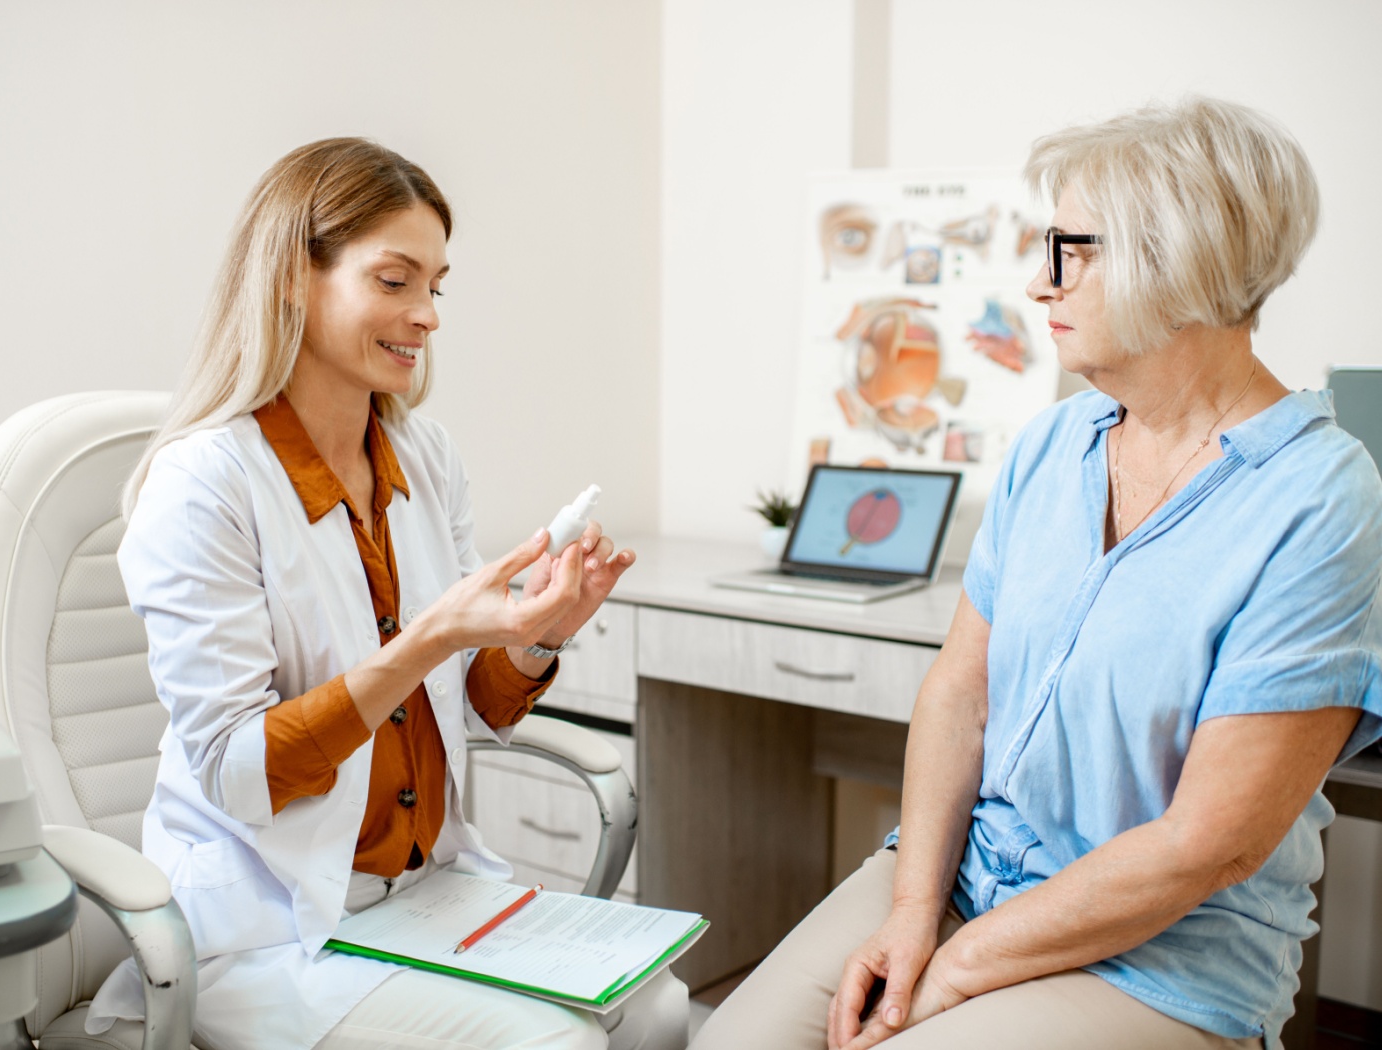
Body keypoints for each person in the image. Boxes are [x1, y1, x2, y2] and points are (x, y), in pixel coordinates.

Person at [692, 98, 1382, 1050]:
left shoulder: (1317, 494)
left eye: (1066, 251)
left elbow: (1208, 845)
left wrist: (957, 970)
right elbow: (959, 696)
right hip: (974, 877)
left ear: (1168, 254)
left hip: (1165, 954)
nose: (1037, 282)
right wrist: (911, 913)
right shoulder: (1053, 446)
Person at [85, 138, 688, 1050]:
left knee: (659, 1008)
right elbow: (240, 771)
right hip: (274, 923)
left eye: (436, 286)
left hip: (421, 891)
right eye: (395, 281)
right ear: (294, 277)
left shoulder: (423, 457)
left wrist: (537, 638)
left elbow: (472, 714)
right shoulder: (203, 483)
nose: (428, 315)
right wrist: (432, 637)